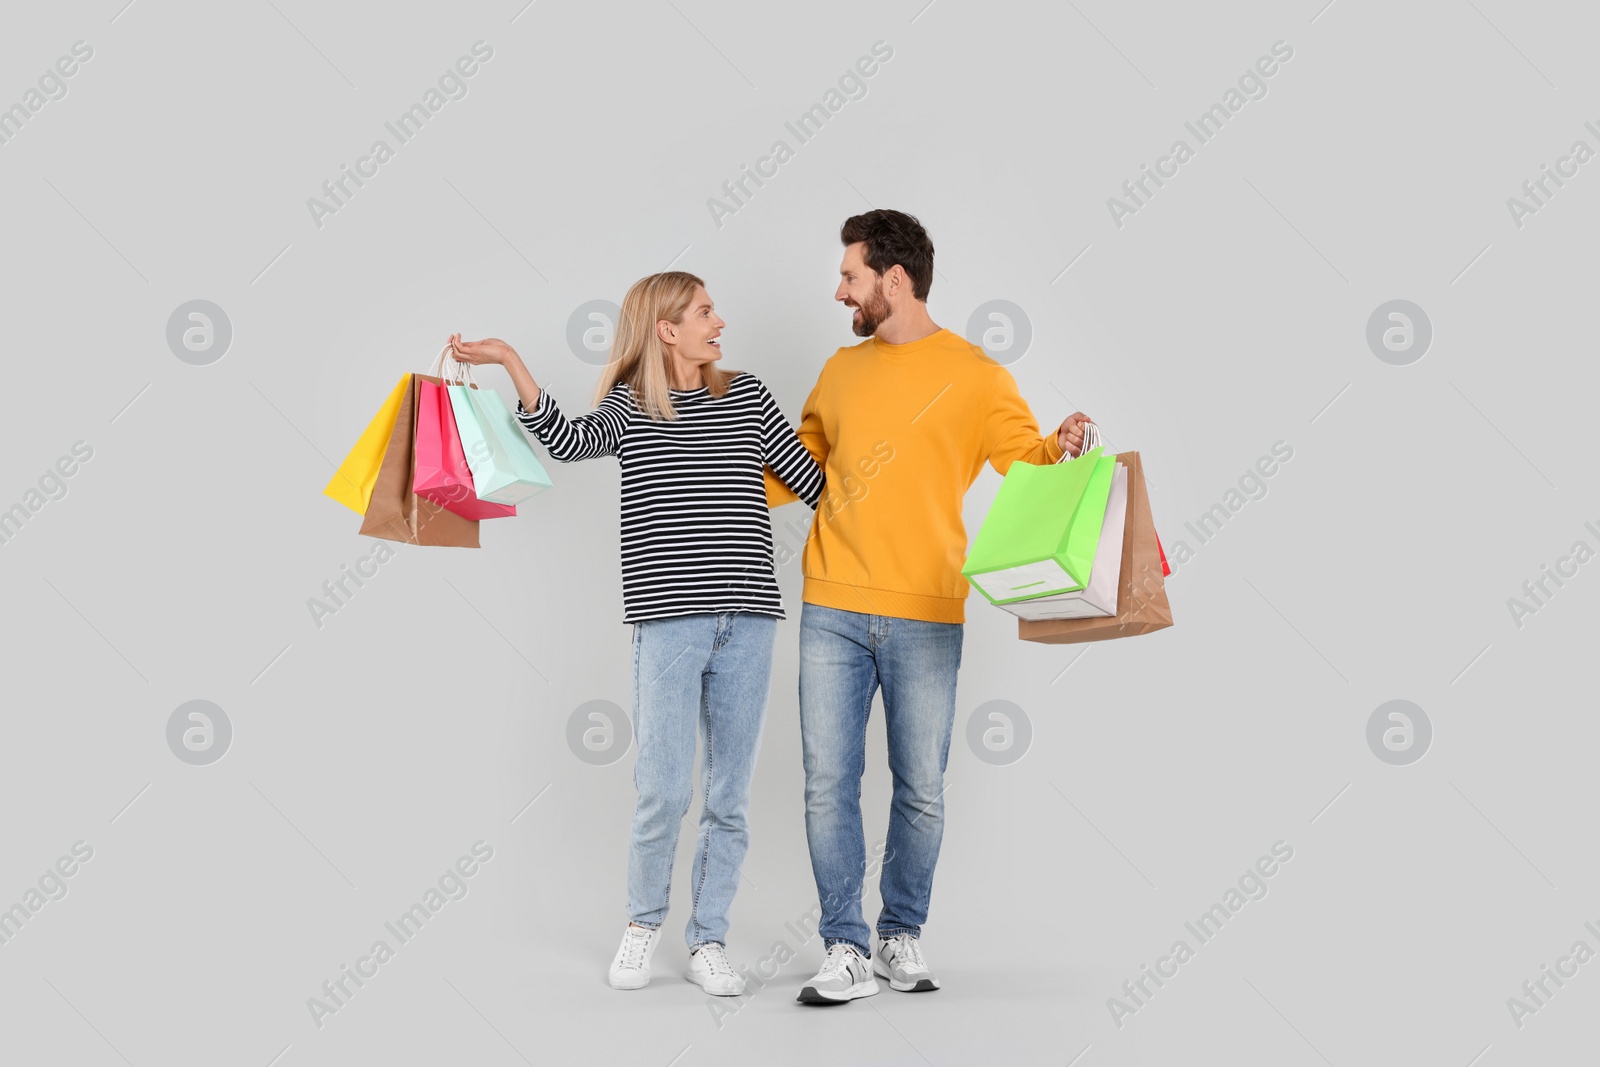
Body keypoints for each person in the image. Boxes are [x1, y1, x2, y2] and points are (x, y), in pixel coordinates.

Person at [448, 271, 824, 997]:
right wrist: (510, 363)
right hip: (668, 624)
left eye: (716, 308)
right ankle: (642, 925)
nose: (720, 322)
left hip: (748, 620)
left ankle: (708, 938)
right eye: (706, 312)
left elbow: (812, 481)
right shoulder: (629, 407)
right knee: (662, 788)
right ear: (666, 328)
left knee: (730, 796)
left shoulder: (745, 395)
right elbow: (563, 439)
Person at [763, 210, 1095, 1004]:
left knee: (921, 786)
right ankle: (843, 945)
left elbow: (1029, 465)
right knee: (826, 782)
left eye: (851, 275)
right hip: (833, 605)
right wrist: (706, 463)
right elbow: (792, 469)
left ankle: (898, 933)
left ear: (895, 279)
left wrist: (1065, 442)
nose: (839, 289)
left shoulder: (976, 375)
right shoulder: (840, 371)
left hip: (927, 611)